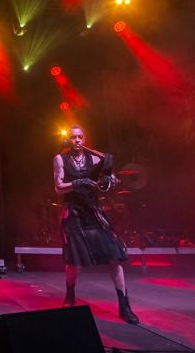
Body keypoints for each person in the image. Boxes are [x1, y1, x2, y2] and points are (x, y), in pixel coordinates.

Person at [53, 125, 139, 324]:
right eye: (73, 137)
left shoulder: (95, 158)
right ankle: (70, 295)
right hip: (73, 214)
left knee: (114, 257)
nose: (77, 140)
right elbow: (58, 187)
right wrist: (77, 183)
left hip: (94, 213)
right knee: (73, 262)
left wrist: (109, 180)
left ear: (84, 139)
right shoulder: (60, 159)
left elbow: (106, 181)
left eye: (80, 137)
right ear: (68, 140)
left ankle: (124, 306)